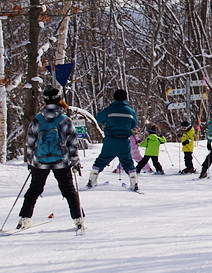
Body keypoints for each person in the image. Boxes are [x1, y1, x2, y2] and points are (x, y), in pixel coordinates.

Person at [18, 86, 84, 231]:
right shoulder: (64, 120)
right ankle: (78, 219)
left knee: (34, 189)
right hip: (62, 161)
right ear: (60, 99)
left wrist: (30, 161)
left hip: (39, 162)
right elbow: (72, 143)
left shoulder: (37, 119)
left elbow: (30, 142)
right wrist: (75, 162)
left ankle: (24, 218)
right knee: (68, 190)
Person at [88, 89, 140, 191]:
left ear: (114, 98)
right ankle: (134, 183)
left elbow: (98, 119)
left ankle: (92, 180)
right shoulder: (131, 111)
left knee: (102, 160)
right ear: (126, 98)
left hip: (110, 140)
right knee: (128, 162)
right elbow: (134, 125)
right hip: (124, 140)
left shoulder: (109, 110)